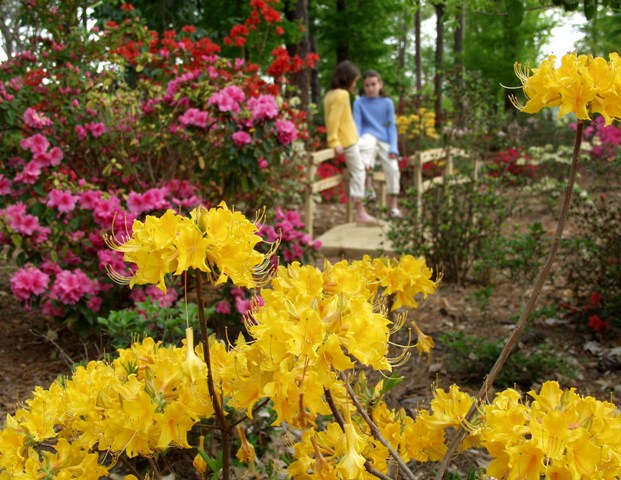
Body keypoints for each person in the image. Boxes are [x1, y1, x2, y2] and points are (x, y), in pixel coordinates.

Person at [323, 61, 380, 226]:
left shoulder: (330, 94)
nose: (355, 84)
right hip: (347, 142)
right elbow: (333, 119)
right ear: (347, 79)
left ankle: (366, 163)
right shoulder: (342, 95)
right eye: (354, 81)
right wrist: (334, 141)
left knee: (371, 141)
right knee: (359, 173)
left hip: (352, 139)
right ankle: (360, 212)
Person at [353, 70, 402, 218]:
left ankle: (393, 206)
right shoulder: (359, 102)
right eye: (367, 85)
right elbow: (357, 125)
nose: (370, 88)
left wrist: (394, 148)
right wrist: (356, 144)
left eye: (373, 84)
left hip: (385, 139)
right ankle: (368, 188)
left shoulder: (387, 103)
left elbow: (391, 126)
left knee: (393, 168)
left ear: (380, 85)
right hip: (367, 136)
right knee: (365, 156)